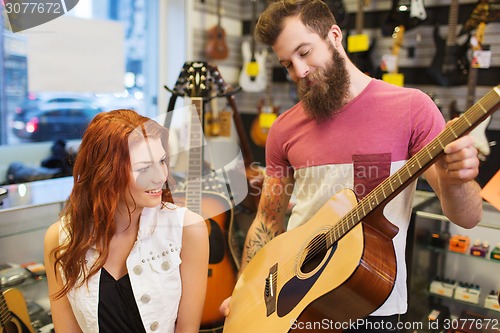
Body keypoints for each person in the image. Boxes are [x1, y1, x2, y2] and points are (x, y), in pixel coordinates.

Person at [220, 0, 483, 332]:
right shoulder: (283, 129)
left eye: (305, 53)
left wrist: (458, 178)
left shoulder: (412, 109)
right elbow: (267, 221)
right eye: (287, 64)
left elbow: (468, 217)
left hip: (371, 297)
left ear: (334, 36)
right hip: (294, 303)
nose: (299, 72)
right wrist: (246, 293)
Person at [44, 109, 209, 333]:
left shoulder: (187, 230)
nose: (161, 176)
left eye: (162, 161)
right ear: (105, 173)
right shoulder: (61, 238)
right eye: (143, 168)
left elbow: (188, 330)